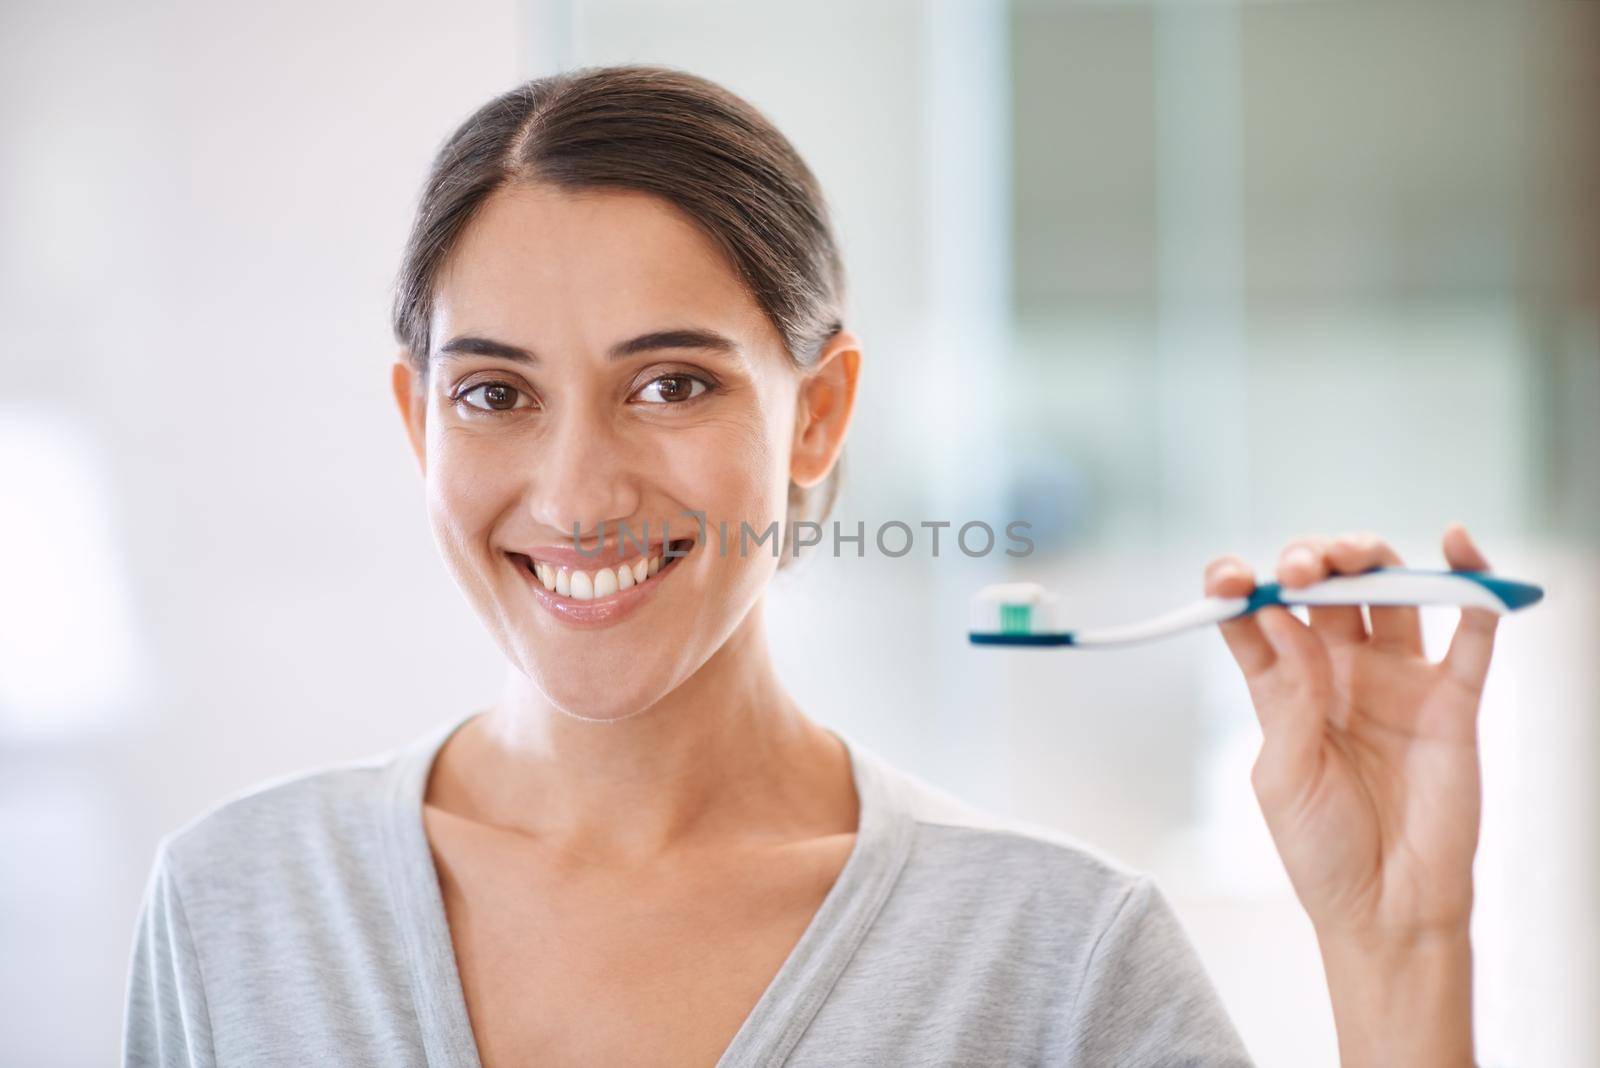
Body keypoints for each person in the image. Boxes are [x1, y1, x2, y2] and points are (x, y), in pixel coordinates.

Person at [122, 65, 1499, 1067]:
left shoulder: (1052, 961)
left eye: (670, 386)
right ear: (420, 420)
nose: (578, 490)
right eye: (495, 395)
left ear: (820, 414)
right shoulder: (238, 909)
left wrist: (1398, 951)